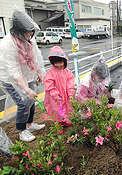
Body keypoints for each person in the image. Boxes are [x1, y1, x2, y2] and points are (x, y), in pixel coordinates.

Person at [0, 6, 45, 142]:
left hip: (27, 74)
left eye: (31, 32)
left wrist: (39, 71)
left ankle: (29, 125)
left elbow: (36, 56)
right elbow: (12, 70)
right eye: (28, 32)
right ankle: (22, 131)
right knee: (23, 102)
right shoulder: (8, 44)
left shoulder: (30, 39)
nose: (30, 35)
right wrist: (26, 89)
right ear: (19, 31)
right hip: (11, 79)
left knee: (31, 100)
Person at [43, 46, 75, 127]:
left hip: (65, 94)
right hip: (55, 97)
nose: (58, 65)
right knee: (56, 110)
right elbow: (49, 85)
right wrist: (55, 96)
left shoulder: (67, 72)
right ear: (52, 62)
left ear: (64, 61)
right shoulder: (50, 72)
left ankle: (64, 120)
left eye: (60, 62)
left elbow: (70, 83)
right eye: (56, 63)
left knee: (66, 108)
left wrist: (70, 94)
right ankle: (58, 124)